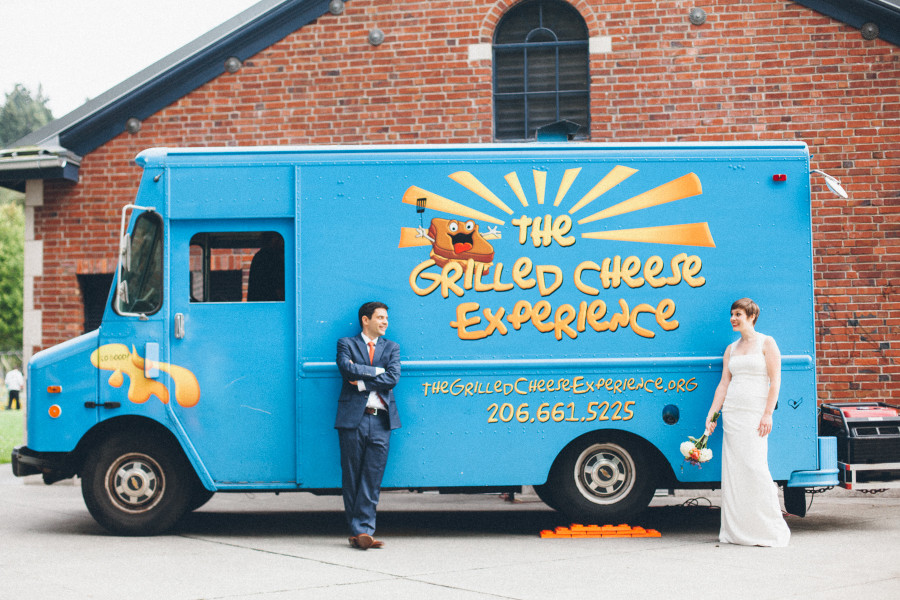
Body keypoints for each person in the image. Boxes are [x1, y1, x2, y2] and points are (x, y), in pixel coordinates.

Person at [705, 298, 790, 547]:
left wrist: (767, 414)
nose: (733, 318)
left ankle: (767, 529)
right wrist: (713, 414)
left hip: (755, 414)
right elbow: (724, 384)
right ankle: (737, 531)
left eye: (738, 314)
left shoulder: (767, 342)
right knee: (735, 472)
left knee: (755, 467)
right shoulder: (731, 349)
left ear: (751, 316)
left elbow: (775, 381)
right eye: (732, 314)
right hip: (732, 414)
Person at [335, 301, 401, 550]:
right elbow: (346, 369)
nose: (385, 322)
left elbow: (393, 377)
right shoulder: (346, 344)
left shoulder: (392, 347)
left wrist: (363, 383)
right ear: (366, 319)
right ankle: (360, 531)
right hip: (354, 419)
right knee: (352, 476)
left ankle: (360, 530)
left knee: (372, 477)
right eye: (380, 317)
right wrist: (377, 371)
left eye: (386, 318)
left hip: (381, 420)